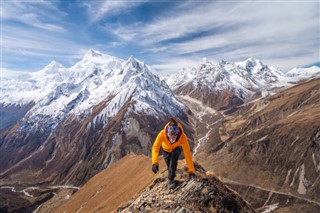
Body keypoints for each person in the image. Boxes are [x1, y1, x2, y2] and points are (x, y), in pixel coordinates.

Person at [151, 117, 196, 189]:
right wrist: (155, 163)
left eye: (174, 137)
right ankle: (172, 173)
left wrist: (191, 171)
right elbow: (155, 148)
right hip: (166, 150)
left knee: (173, 160)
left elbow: (187, 154)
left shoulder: (182, 137)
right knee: (169, 166)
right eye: (170, 137)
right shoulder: (162, 134)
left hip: (176, 149)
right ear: (167, 133)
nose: (172, 139)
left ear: (177, 133)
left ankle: (171, 180)